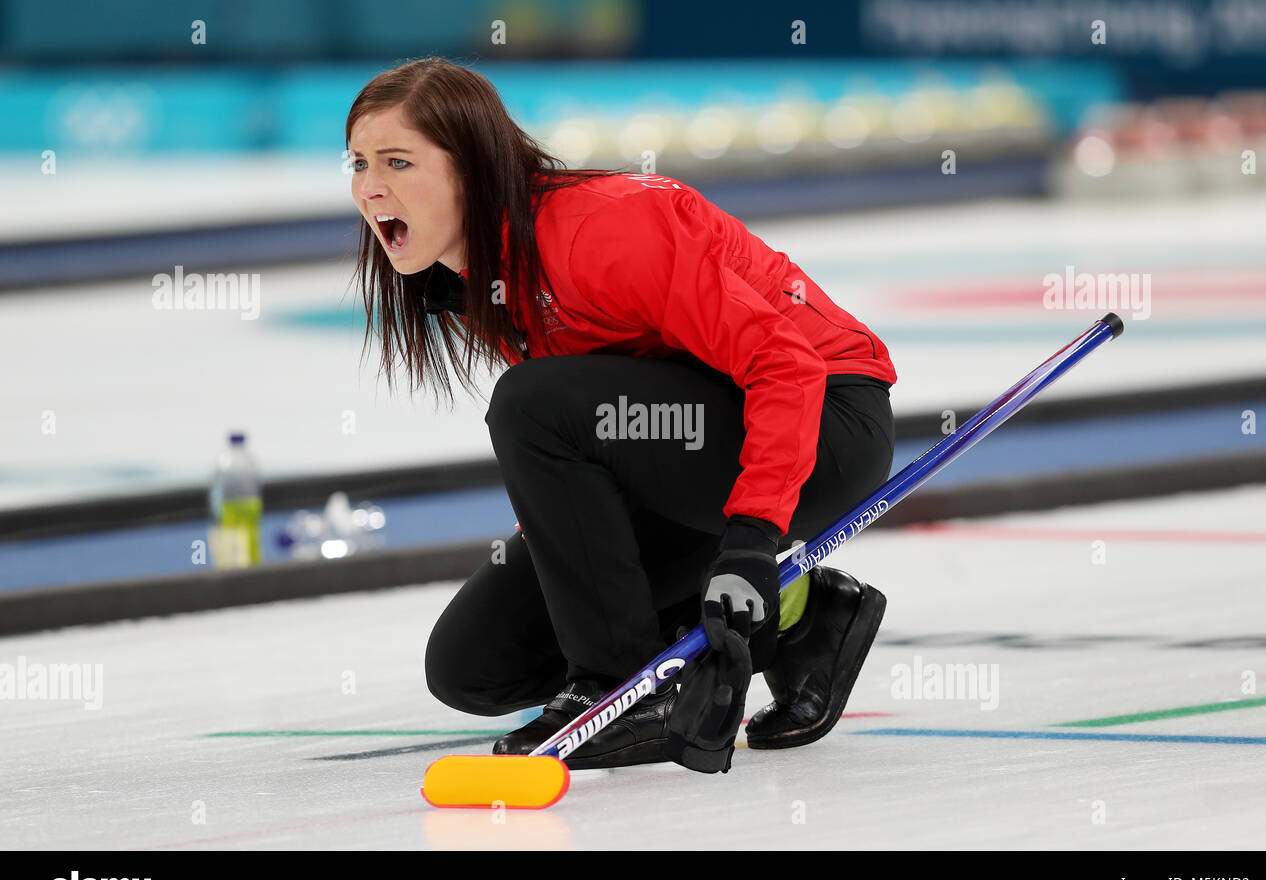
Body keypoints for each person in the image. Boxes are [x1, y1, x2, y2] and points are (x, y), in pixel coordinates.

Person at [346, 58, 896, 772]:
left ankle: (622, 688)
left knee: (529, 403)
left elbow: (783, 365)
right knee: (473, 664)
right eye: (358, 163)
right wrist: (563, 531)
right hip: (696, 445)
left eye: (397, 161)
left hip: (824, 422)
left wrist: (755, 540)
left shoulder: (601, 228)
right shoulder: (480, 276)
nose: (371, 187)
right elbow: (608, 417)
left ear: (474, 166)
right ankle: (802, 621)